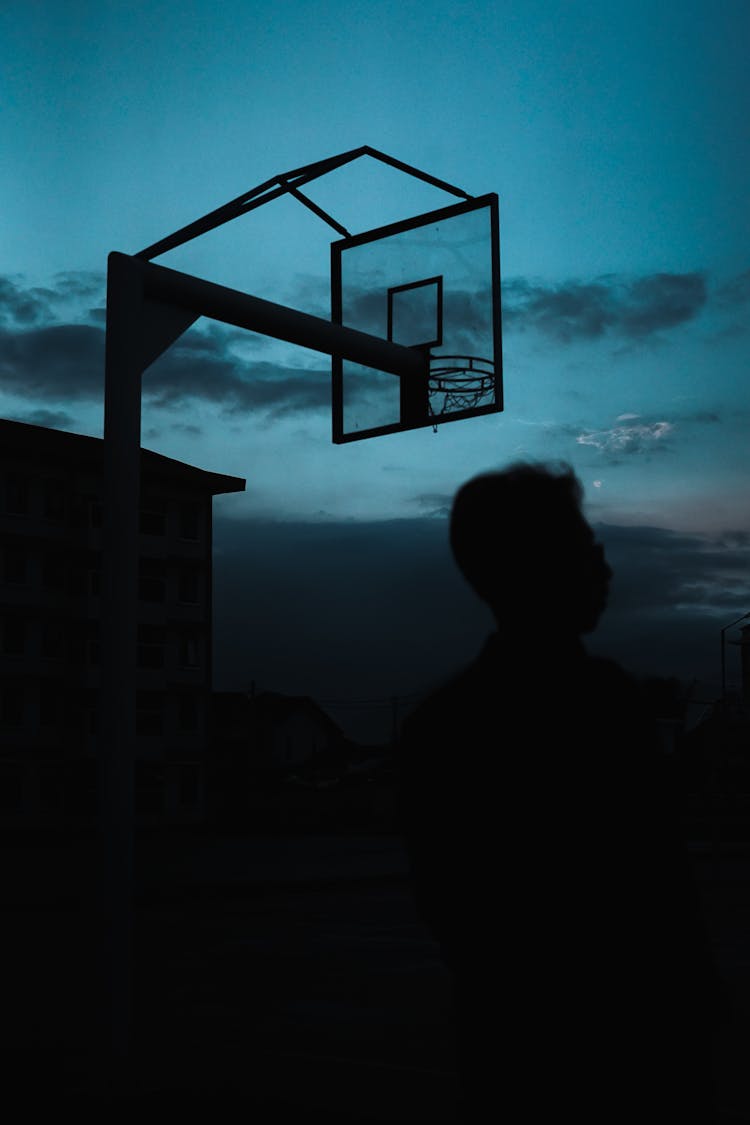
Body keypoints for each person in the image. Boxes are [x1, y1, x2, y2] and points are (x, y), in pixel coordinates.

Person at [398, 461, 721, 1122]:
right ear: (534, 568)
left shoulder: (440, 726)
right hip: (618, 1061)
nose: (604, 571)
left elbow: (453, 910)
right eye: (585, 553)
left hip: (511, 1059)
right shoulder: (609, 708)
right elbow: (664, 895)